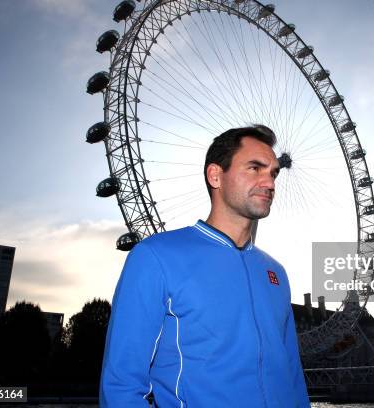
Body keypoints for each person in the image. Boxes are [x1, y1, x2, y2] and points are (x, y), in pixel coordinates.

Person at [100, 125, 310, 407]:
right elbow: (121, 386)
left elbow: (293, 378)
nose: (270, 183)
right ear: (215, 175)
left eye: (273, 173)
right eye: (255, 168)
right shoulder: (156, 257)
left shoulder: (276, 273)